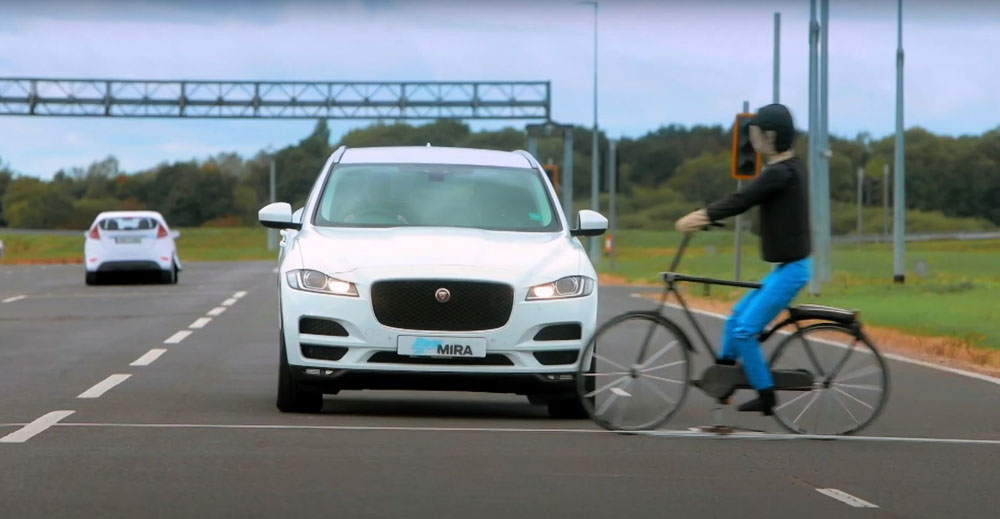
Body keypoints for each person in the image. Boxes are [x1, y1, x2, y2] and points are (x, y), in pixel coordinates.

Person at [674, 103, 811, 415]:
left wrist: (700, 216)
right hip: (785, 268)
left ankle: (766, 394)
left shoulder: (780, 173)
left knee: (744, 331)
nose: (752, 141)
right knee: (736, 317)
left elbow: (742, 199)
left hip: (793, 270)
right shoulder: (790, 169)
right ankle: (724, 378)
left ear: (770, 136)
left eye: (756, 134)